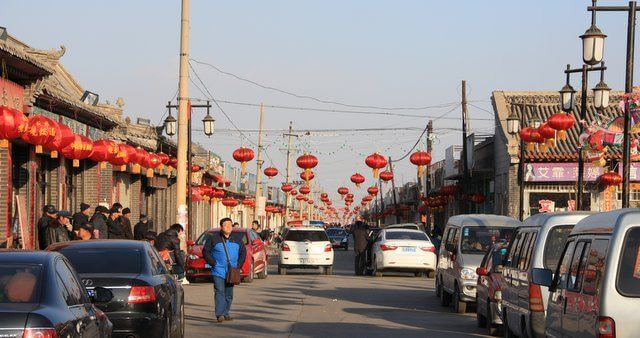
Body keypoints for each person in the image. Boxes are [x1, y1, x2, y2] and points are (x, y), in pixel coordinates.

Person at [203, 218, 247, 323]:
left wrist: (239, 265)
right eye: (226, 225)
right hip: (218, 270)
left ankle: (226, 313)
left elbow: (243, 253)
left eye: (230, 225)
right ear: (221, 227)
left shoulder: (237, 239)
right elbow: (205, 252)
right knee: (219, 291)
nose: (228, 227)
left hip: (232, 271)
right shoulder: (213, 238)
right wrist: (213, 263)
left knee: (229, 294)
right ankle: (220, 314)